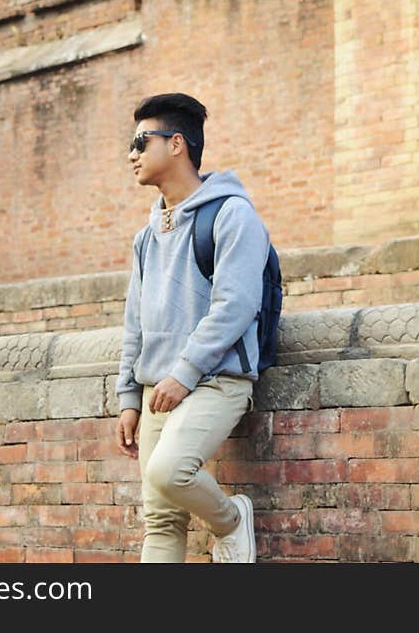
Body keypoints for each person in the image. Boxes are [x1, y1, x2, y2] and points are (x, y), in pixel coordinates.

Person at [114, 93, 271, 563]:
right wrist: (128, 398)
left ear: (177, 144)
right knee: (160, 521)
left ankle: (232, 522)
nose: (132, 153)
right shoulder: (146, 238)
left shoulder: (232, 214)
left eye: (142, 141)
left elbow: (237, 304)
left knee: (169, 471)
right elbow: (134, 323)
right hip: (155, 391)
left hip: (215, 379)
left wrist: (184, 374)